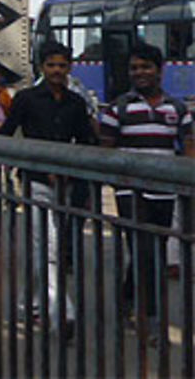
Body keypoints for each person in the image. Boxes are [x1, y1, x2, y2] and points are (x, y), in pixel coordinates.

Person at [0, 41, 95, 329]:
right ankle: (63, 312)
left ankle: (29, 305)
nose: (56, 70)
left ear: (69, 68)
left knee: (47, 247)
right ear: (42, 67)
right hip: (35, 181)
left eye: (62, 65)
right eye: (51, 65)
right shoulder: (26, 99)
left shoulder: (76, 103)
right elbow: (7, 132)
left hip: (66, 184)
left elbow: (86, 140)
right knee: (49, 248)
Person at [100, 42, 193, 333]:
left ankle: (127, 300)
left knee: (153, 248)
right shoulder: (119, 108)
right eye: (134, 68)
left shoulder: (177, 109)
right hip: (131, 193)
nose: (139, 73)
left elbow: (189, 148)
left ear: (159, 70)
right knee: (145, 251)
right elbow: (106, 150)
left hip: (164, 192)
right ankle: (152, 318)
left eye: (145, 67)